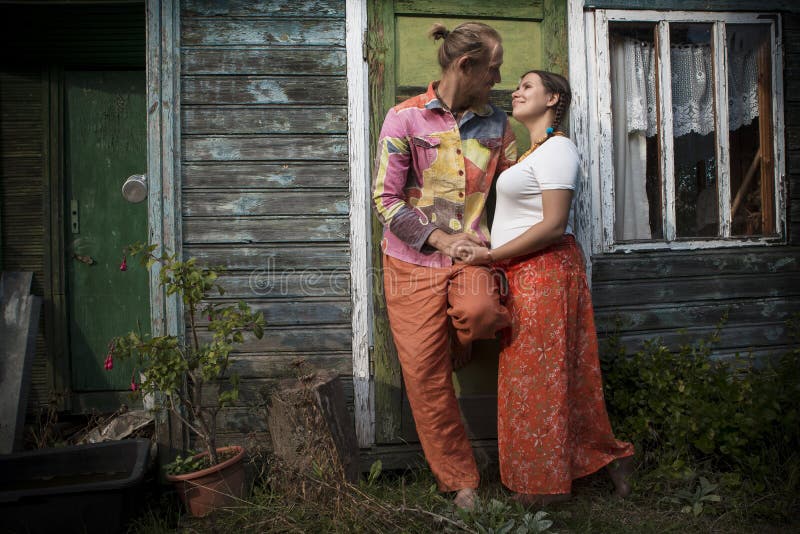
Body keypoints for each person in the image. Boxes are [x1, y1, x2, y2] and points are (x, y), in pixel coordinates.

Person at [460, 70, 635, 506]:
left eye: (527, 86)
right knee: (542, 377)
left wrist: (490, 257)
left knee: (539, 379)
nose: (516, 92)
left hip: (546, 271)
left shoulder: (559, 149)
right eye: (516, 87)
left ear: (553, 98)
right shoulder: (533, 153)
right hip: (523, 272)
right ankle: (610, 458)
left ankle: (544, 488)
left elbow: (554, 225)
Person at [371, 21, 516, 510]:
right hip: (410, 261)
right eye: (493, 69)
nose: (498, 79)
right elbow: (386, 200)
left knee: (481, 315)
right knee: (425, 378)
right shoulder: (403, 119)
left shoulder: (498, 125)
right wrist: (437, 238)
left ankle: (452, 342)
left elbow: (518, 190)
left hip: (474, 253)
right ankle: (461, 482)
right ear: (466, 65)